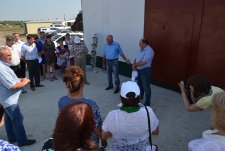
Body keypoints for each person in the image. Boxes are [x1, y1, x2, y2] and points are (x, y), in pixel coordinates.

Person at [102, 81, 159, 151]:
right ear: (139, 97)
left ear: (121, 98)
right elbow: (156, 132)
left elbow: (104, 136)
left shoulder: (113, 115)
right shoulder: (148, 112)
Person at [58, 66, 104, 146]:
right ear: (82, 84)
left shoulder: (62, 101)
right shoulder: (91, 104)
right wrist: (103, 140)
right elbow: (97, 128)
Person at [0, 47, 36, 147]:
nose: (10, 57)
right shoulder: (1, 68)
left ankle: (12, 138)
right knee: (17, 119)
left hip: (6, 99)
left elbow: (11, 80)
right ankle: (22, 140)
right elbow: (12, 86)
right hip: (9, 101)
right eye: (8, 55)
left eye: (10, 54)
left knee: (9, 119)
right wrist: (25, 82)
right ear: (1, 56)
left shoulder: (3, 65)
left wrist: (20, 79)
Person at [132, 38, 154, 106]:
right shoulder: (142, 49)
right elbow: (138, 58)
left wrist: (134, 65)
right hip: (139, 69)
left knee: (146, 87)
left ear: (144, 44)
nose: (139, 45)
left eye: (140, 44)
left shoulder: (149, 51)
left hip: (145, 70)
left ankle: (147, 102)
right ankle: (140, 97)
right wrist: (134, 63)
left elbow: (143, 62)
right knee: (140, 85)